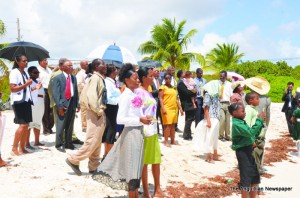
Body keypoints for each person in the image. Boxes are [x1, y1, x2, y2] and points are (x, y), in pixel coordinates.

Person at [92, 63, 152, 198]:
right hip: (131, 133)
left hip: (138, 132)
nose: (138, 80)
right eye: (135, 78)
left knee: (136, 167)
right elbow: (120, 119)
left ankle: (135, 195)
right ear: (126, 79)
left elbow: (135, 113)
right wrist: (139, 120)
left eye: (138, 78)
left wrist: (143, 117)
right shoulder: (125, 96)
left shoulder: (134, 93)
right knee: (132, 169)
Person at [66, 59, 107, 175]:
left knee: (97, 141)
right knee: (92, 140)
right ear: (95, 67)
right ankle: (73, 159)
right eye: (101, 64)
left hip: (97, 112)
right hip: (95, 113)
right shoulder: (95, 78)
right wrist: (98, 111)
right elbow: (91, 96)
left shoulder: (98, 78)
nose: (104, 65)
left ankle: (94, 166)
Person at [135, 67, 164, 198]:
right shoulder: (138, 93)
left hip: (153, 130)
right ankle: (146, 192)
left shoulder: (148, 91)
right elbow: (136, 111)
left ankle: (157, 188)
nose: (153, 78)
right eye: (150, 76)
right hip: (143, 131)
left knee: (156, 160)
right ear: (143, 78)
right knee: (144, 163)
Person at [229, 103, 265, 198]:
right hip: (243, 152)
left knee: (254, 177)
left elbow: (252, 134)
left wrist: (260, 123)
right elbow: (250, 132)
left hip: (248, 151)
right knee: (246, 178)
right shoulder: (237, 124)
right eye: (242, 111)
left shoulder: (241, 122)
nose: (244, 113)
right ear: (234, 113)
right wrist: (259, 120)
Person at [48, 58, 84, 146]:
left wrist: (77, 104)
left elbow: (75, 92)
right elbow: (56, 94)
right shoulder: (57, 78)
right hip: (62, 104)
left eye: (72, 65)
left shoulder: (73, 78)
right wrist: (59, 106)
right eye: (69, 65)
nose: (72, 67)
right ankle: (59, 143)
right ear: (63, 67)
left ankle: (69, 143)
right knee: (60, 125)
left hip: (71, 103)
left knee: (70, 125)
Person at [9, 55, 33, 156]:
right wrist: (26, 84)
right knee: (22, 125)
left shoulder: (25, 73)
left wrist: (34, 87)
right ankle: (14, 148)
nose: (26, 62)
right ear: (18, 62)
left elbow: (26, 89)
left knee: (26, 126)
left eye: (27, 60)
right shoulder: (14, 72)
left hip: (26, 101)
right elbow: (12, 88)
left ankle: (22, 148)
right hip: (18, 102)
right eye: (24, 61)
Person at [193, 80, 220, 163]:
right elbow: (206, 108)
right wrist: (208, 121)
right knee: (209, 136)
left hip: (216, 117)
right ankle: (209, 156)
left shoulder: (215, 95)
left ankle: (215, 154)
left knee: (215, 137)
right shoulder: (208, 95)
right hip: (211, 117)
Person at [159, 73, 183, 146]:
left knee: (173, 125)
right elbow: (160, 98)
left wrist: (180, 109)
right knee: (167, 125)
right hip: (166, 108)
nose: (168, 79)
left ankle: (172, 141)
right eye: (166, 78)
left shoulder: (174, 88)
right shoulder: (162, 87)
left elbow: (176, 99)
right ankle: (166, 141)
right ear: (164, 79)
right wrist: (163, 108)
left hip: (174, 108)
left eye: (169, 78)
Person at [102, 65, 121, 159]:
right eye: (115, 70)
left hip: (114, 109)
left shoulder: (113, 82)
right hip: (110, 109)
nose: (116, 72)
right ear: (110, 72)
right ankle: (107, 155)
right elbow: (108, 98)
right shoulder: (107, 82)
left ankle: (107, 155)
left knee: (112, 131)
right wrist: (119, 99)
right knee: (110, 132)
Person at [26, 66, 44, 149]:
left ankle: (37, 141)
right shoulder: (28, 81)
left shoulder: (38, 81)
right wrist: (34, 88)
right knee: (29, 125)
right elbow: (25, 92)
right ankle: (27, 143)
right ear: (30, 73)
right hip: (31, 105)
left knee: (37, 123)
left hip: (40, 105)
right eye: (35, 72)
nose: (37, 74)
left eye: (38, 72)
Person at [177, 71, 196, 141]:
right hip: (187, 103)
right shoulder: (180, 83)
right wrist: (194, 92)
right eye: (184, 73)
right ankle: (186, 135)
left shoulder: (184, 82)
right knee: (189, 119)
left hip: (188, 103)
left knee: (188, 118)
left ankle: (188, 134)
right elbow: (187, 93)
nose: (185, 74)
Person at [38, 58, 54, 135]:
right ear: (40, 61)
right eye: (44, 60)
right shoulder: (37, 70)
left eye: (46, 60)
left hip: (51, 90)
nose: (46, 61)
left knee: (52, 110)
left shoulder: (49, 70)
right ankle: (46, 129)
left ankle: (50, 127)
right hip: (42, 90)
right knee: (45, 110)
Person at [218, 70, 232, 141]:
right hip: (220, 103)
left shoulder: (230, 84)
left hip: (228, 104)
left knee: (228, 120)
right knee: (222, 119)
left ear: (226, 77)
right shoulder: (217, 84)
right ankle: (220, 135)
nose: (221, 78)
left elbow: (231, 95)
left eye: (223, 77)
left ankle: (227, 136)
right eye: (220, 76)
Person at [76, 60, 88, 132]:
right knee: (84, 110)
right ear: (82, 65)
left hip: (88, 94)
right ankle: (84, 126)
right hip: (83, 94)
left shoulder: (87, 73)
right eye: (86, 64)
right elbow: (78, 84)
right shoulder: (80, 74)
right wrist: (87, 86)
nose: (87, 65)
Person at [151, 68, 163, 133]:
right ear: (152, 72)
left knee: (162, 116)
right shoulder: (150, 80)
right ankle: (156, 130)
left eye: (158, 71)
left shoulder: (160, 80)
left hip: (161, 100)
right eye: (155, 71)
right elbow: (150, 91)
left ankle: (164, 132)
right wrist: (158, 91)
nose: (157, 72)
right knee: (155, 116)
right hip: (154, 100)